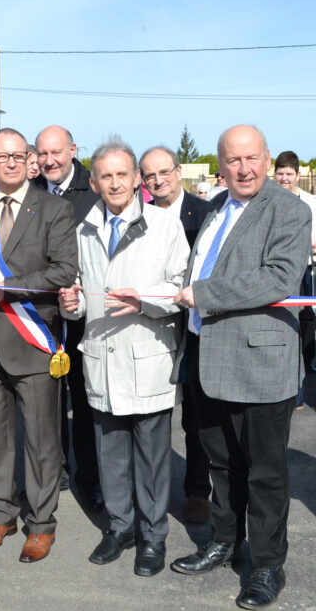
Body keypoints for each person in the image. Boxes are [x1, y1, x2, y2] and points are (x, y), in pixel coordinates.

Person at [170, 125, 310, 609]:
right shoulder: (215, 209)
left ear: (268, 160)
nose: (244, 168)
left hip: (261, 362)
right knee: (222, 465)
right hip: (208, 357)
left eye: (252, 158)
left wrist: (202, 295)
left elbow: (278, 277)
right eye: (234, 160)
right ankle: (224, 541)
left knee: (266, 473)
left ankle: (268, 566)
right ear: (220, 165)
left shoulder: (288, 210)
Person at [60, 141, 189, 576]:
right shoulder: (84, 231)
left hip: (147, 357)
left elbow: (181, 289)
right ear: (93, 182)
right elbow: (77, 299)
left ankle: (153, 537)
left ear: (137, 179)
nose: (114, 184)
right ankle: (120, 527)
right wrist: (68, 303)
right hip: (101, 359)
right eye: (106, 176)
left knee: (152, 456)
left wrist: (145, 302)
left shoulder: (165, 226)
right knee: (110, 453)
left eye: (122, 175)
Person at [0, 127, 78, 563]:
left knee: (43, 440)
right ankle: (1, 514)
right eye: (1, 156)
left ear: (28, 159)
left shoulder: (54, 208)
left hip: (33, 339)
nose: (9, 162)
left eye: (17, 155)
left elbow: (64, 271)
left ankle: (41, 524)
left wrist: (5, 288)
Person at [139, 146, 214, 524]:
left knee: (197, 415)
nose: (158, 180)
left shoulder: (206, 214)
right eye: (150, 175)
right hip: (150, 323)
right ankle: (148, 491)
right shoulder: (140, 217)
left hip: (195, 326)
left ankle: (198, 491)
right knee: (153, 413)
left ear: (179, 170)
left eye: (165, 171)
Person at [33, 125, 103, 511]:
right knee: (46, 400)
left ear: (73, 150)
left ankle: (89, 477)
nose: (50, 161)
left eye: (57, 152)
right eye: (42, 153)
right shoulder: (32, 193)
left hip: (81, 316)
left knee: (84, 398)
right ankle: (54, 468)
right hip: (40, 317)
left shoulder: (93, 192)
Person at [273, 150, 316, 409]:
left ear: (298, 175)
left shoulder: (311, 202)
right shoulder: (267, 200)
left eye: (290, 174)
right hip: (280, 271)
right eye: (281, 173)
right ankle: (292, 391)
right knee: (285, 322)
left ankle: (305, 370)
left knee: (307, 320)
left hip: (307, 270)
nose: (285, 178)